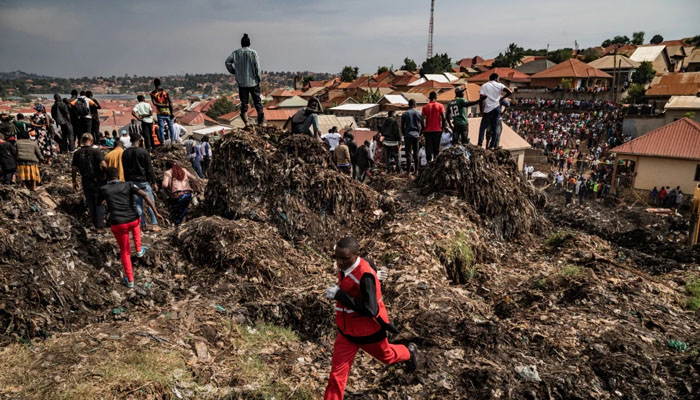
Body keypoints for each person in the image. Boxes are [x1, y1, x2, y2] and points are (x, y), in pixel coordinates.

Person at [323, 237, 418, 400]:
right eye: (337, 257)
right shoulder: (346, 264)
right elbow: (367, 266)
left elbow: (371, 309)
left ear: (355, 255)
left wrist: (340, 295)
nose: (339, 262)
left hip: (369, 333)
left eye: (344, 258)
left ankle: (409, 352)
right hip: (346, 334)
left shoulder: (365, 275)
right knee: (336, 377)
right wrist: (376, 274)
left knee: (388, 356)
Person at [99, 167, 163, 288]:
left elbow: (99, 203)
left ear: (106, 177)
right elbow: (144, 195)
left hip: (118, 224)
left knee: (125, 251)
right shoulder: (128, 185)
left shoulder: (104, 189)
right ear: (118, 176)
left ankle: (130, 279)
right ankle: (139, 249)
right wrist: (156, 212)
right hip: (133, 220)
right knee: (137, 220)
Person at [225, 33, 264, 127]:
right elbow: (257, 68)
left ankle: (246, 121)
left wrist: (234, 71)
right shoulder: (253, 53)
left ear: (241, 43)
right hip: (253, 82)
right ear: (249, 43)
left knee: (244, 102)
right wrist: (259, 78)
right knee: (257, 102)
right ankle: (260, 120)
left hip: (242, 83)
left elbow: (227, 62)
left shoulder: (236, 53)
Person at [122, 136, 160, 232]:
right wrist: (154, 182)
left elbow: (124, 169)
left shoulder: (125, 153)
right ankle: (154, 224)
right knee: (150, 202)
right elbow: (149, 168)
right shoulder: (143, 152)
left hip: (131, 181)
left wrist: (127, 183)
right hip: (143, 180)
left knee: (137, 204)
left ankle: (143, 225)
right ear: (139, 140)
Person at [72, 134, 107, 230]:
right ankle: (100, 226)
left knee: (91, 203)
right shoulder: (96, 151)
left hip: (86, 180)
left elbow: (74, 168)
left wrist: (74, 181)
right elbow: (103, 165)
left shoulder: (77, 153)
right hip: (98, 180)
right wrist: (105, 174)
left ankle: (96, 225)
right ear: (91, 141)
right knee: (99, 202)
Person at [478, 73, 512, 149]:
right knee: (495, 128)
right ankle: (492, 145)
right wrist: (502, 98)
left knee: (483, 127)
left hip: (488, 110)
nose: (499, 80)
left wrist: (481, 110)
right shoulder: (500, 85)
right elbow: (510, 92)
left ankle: (480, 144)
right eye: (498, 79)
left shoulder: (484, 86)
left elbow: (481, 99)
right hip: (497, 109)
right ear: (496, 78)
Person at [162, 160, 198, 225]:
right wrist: (193, 186)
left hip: (177, 195)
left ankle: (178, 224)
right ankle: (182, 223)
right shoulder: (184, 170)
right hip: (188, 194)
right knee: (183, 210)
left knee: (177, 212)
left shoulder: (168, 172)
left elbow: (165, 184)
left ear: (167, 167)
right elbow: (194, 178)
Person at [421, 91, 448, 162]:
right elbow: (444, 117)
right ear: (436, 97)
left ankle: (428, 164)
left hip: (428, 131)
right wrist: (442, 128)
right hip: (437, 130)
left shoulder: (425, 107)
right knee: (436, 149)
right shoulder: (440, 106)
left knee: (428, 149)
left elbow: (422, 119)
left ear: (429, 98)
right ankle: (436, 164)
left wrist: (423, 129)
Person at [150, 78, 174, 144]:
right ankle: (173, 140)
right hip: (168, 112)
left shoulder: (152, 93)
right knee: (170, 126)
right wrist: (172, 112)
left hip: (160, 112)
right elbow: (170, 103)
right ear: (160, 83)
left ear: (154, 84)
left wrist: (161, 105)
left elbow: (154, 103)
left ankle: (163, 141)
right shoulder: (165, 92)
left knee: (161, 127)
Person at [401, 99, 421, 174]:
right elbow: (422, 125)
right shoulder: (419, 113)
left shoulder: (405, 114)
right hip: (416, 135)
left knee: (408, 153)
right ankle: (416, 170)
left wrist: (404, 133)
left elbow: (402, 126)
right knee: (416, 153)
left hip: (408, 135)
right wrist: (420, 133)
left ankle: (408, 171)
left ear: (408, 105)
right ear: (415, 105)